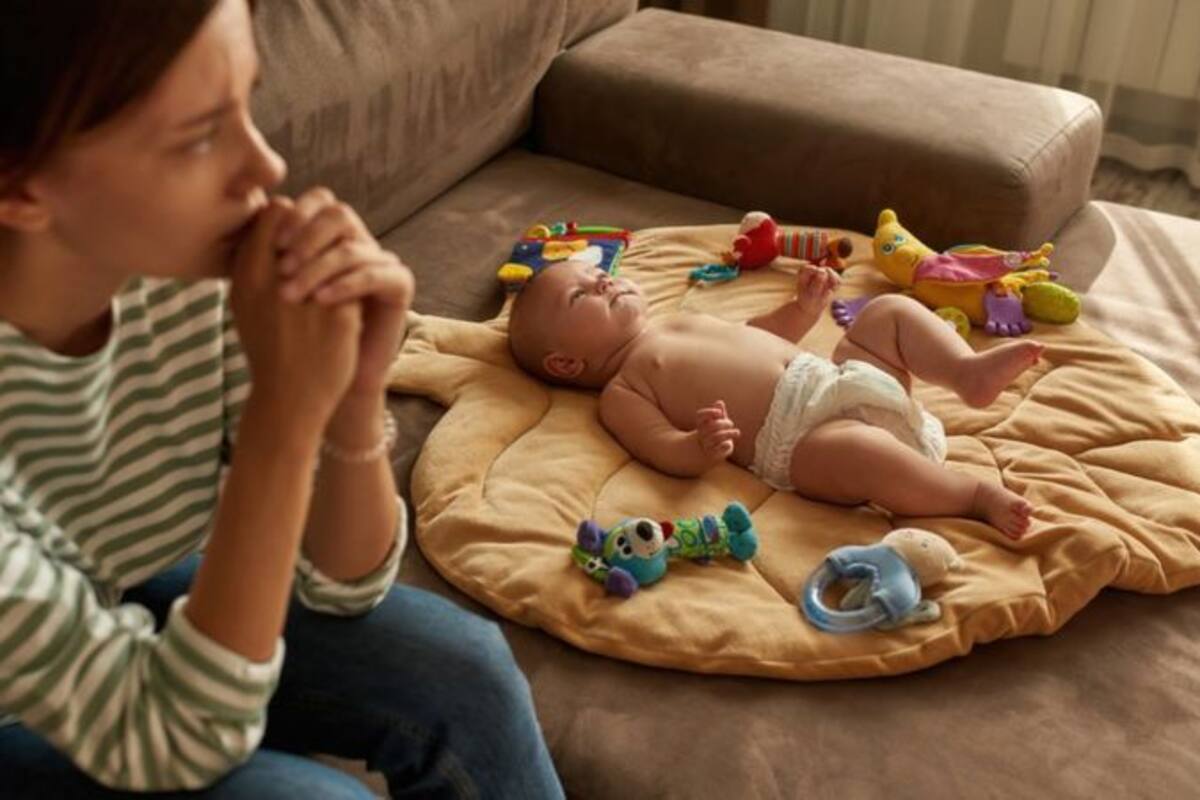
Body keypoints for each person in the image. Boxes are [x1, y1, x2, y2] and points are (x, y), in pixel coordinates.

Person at [0, 1, 564, 797]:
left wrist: (350, 392)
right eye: (199, 136)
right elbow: (173, 737)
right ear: (19, 187)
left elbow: (346, 581)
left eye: (246, 101)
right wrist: (283, 417)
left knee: (464, 672)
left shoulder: (194, 277)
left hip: (94, 595)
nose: (265, 167)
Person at [508, 259, 1040, 540]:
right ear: (565, 364)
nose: (603, 281)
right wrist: (698, 445)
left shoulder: (676, 318)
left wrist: (801, 313)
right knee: (856, 451)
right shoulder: (623, 390)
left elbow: (756, 334)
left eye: (598, 274)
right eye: (582, 294)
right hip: (803, 441)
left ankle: (965, 372)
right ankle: (972, 497)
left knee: (886, 314)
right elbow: (659, 447)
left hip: (838, 378)